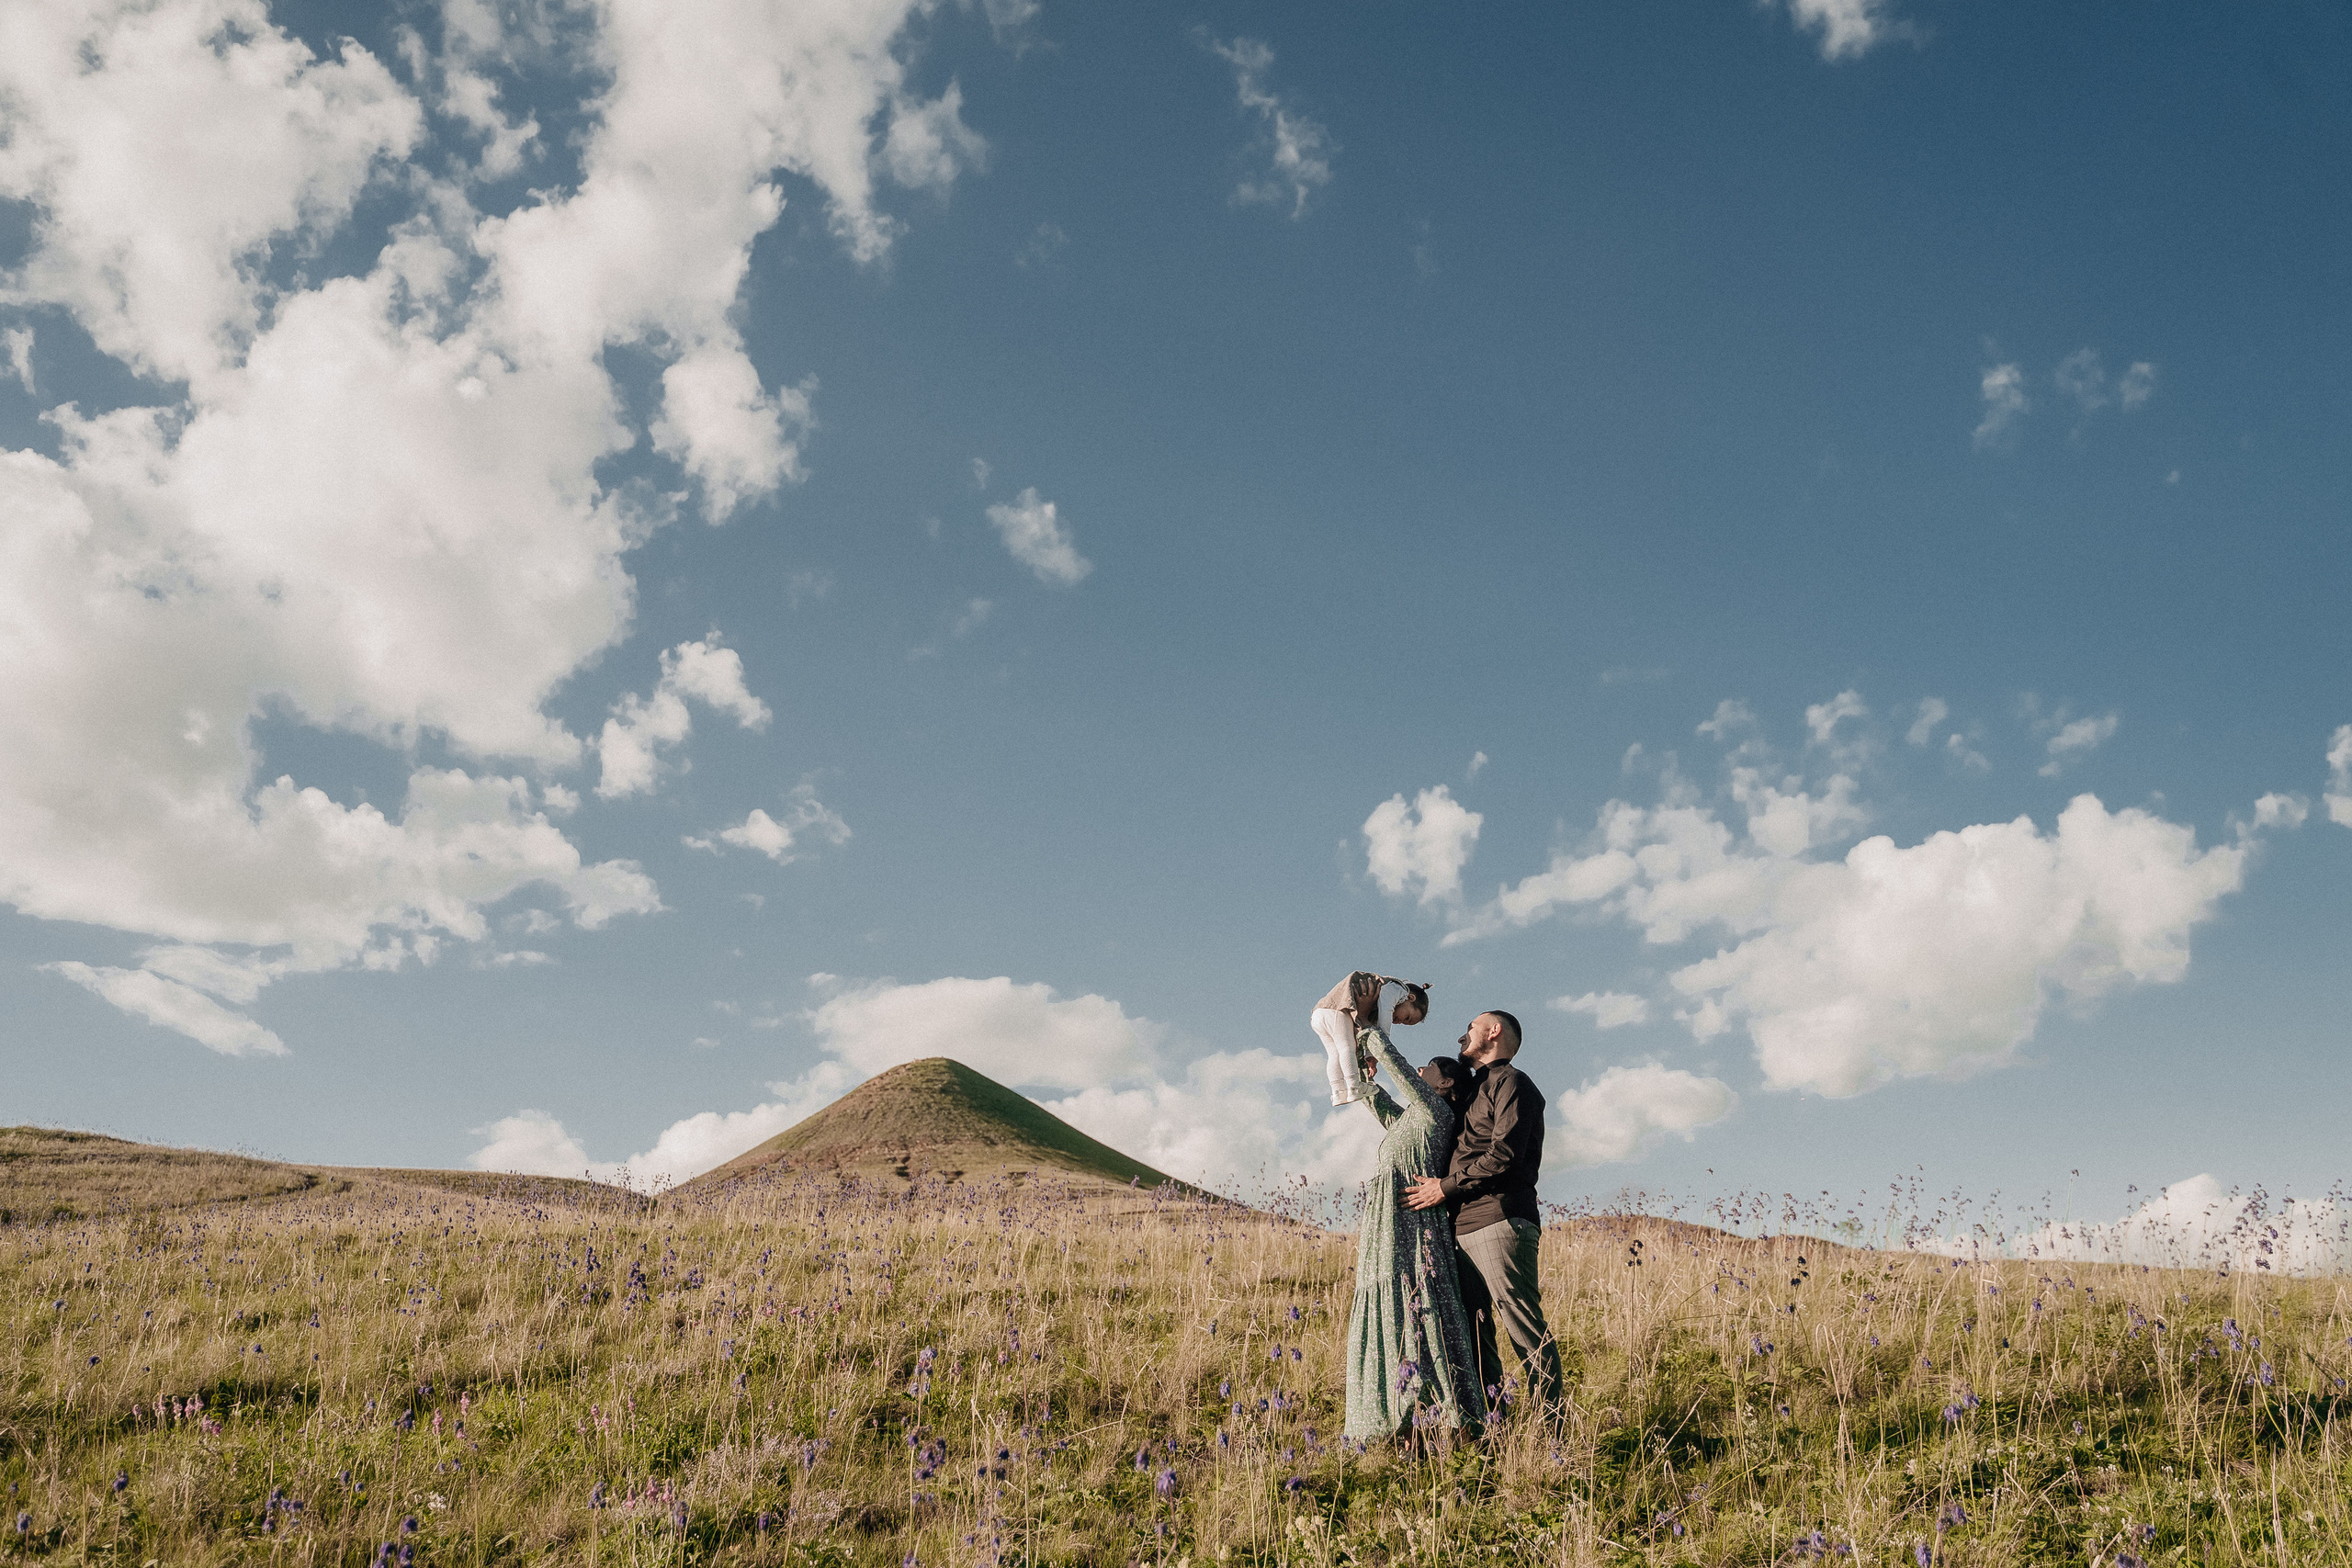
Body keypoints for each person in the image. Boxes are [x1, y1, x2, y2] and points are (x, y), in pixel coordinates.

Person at [1403, 1010, 1566, 1427]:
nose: (1462, 1035)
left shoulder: (1514, 1083)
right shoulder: (1473, 1089)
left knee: (1522, 1326)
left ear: (1494, 1032)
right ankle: (1498, 1425)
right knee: (1475, 1331)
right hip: (1461, 1226)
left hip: (1499, 1220)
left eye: (1471, 1028)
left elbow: (1505, 1156)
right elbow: (1423, 1104)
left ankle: (1552, 1431)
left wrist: (1445, 1187)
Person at [1341, 1010, 1484, 1446]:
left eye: (1429, 1070)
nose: (1420, 1072)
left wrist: (1370, 1031)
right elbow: (1375, 1098)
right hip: (1387, 1229)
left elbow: (1400, 1071)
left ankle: (1447, 1419)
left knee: (1417, 1304)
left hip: (1409, 1227)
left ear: (1443, 1085)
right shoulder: (1412, 1120)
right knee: (1389, 1302)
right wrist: (1362, 1069)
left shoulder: (1437, 1114)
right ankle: (1388, 1421)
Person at [1310, 971, 1429, 1107]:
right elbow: (1385, 1015)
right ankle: (1354, 1086)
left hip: (1319, 1014)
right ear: (1410, 998)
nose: (1400, 1022)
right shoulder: (1397, 989)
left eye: (1405, 1023)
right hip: (1337, 1010)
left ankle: (1338, 1092)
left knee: (1334, 1055)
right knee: (1347, 1047)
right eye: (1407, 1017)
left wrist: (1371, 1059)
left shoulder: (1374, 1011)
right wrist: (1382, 1042)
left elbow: (1366, 1031)